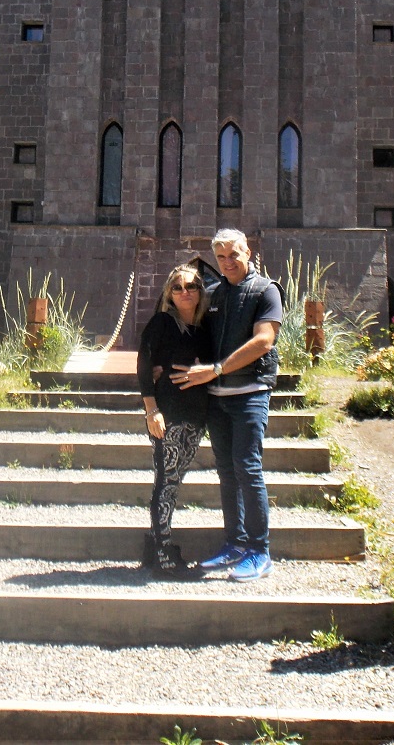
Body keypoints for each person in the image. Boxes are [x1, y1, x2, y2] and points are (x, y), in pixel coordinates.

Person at [173, 229, 282, 582]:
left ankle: (259, 551)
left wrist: (217, 369)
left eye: (234, 254)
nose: (228, 262)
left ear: (248, 251)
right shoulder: (215, 293)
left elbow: (264, 340)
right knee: (226, 471)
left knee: (247, 468)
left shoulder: (266, 291)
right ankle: (234, 543)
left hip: (250, 393)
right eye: (220, 257)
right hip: (218, 398)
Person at [136, 264, 212, 579]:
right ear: (169, 293)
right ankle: (165, 556)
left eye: (191, 286)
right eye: (177, 287)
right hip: (168, 413)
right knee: (166, 482)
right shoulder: (163, 322)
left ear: (200, 291)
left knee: (171, 481)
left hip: (195, 414)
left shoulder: (204, 328)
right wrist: (151, 409)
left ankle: (155, 547)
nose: (184, 292)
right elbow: (143, 362)